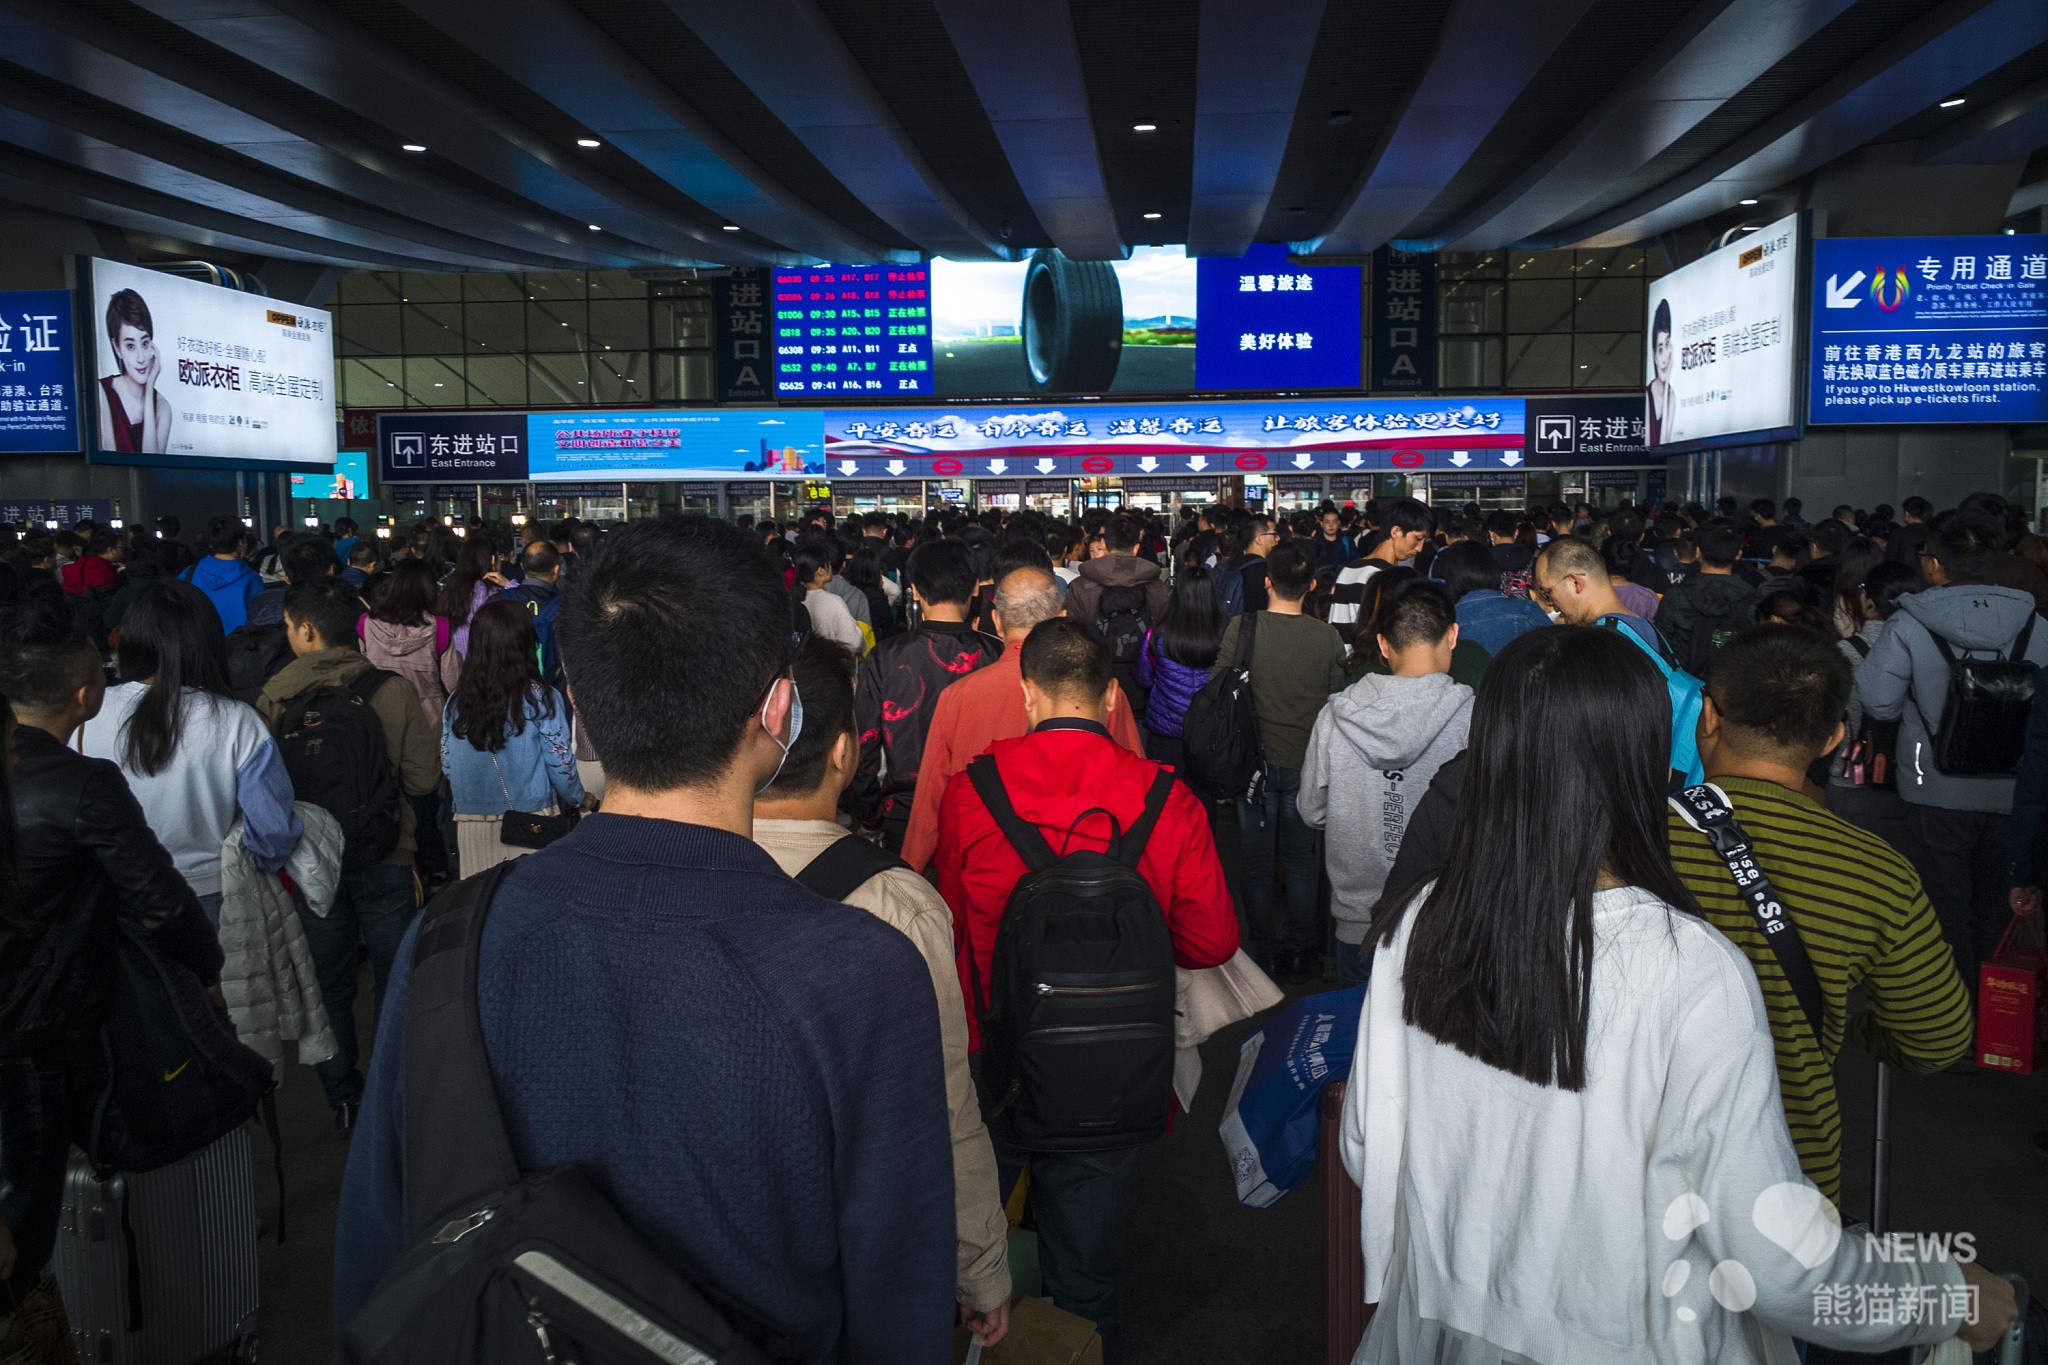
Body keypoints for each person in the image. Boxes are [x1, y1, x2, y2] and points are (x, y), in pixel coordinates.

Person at [333, 516, 958, 1362]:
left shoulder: (448, 937)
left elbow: (379, 1264)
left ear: (579, 707)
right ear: (779, 707)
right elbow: (899, 1305)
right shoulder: (862, 972)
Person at [1343, 625, 2013, 1364]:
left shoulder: (1418, 919)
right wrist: (1943, 1291)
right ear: (1648, 755)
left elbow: (1368, 1146)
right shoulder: (1693, 966)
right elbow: (1776, 1267)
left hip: (1434, 1331)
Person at [934, 618, 1238, 1363]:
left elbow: (951, 929)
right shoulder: (1167, 799)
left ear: (1027, 693)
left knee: (962, 1269)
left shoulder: (971, 792)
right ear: (1109, 700)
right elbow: (1212, 942)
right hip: (1112, 1072)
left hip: (997, 1061)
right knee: (1088, 1288)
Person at [753, 637, 1011, 1347]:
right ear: (844, 752)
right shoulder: (897, 904)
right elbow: (946, 1107)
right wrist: (981, 1268)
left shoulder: (687, 870)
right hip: (858, 1254)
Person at [1667, 626, 1973, 1201]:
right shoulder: (1879, 872)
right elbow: (1936, 1038)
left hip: (1633, 1168)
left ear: (1708, 716)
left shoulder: (1629, 838)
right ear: (1833, 738)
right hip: (1786, 1174)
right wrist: (1845, 1028)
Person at [1, 586, 222, 1308]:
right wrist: (207, 970)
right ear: (84, 693)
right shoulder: (83, 787)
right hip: (36, 1033)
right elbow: (160, 901)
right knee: (22, 1238)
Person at [260, 578, 439, 1132]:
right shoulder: (391, 690)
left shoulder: (275, 697)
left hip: (311, 865)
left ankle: (343, 1096)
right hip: (386, 853)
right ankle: (391, 1089)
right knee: (393, 976)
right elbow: (424, 779)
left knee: (329, 983)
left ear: (307, 630)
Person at [1854, 507, 2048, 984]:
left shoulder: (1909, 623)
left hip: (1934, 787)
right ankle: (1995, 1014)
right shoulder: (2037, 623)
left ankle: (1951, 1012)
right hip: (2016, 789)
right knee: (2001, 903)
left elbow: (1879, 704)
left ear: (1935, 564)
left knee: (1943, 906)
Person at [79, 581, 302, 924]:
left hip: (112, 895)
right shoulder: (238, 720)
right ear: (209, 643)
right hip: (210, 894)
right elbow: (273, 832)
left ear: (130, 638)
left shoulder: (87, 714)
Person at [900, 567, 1146, 872]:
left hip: (982, 870)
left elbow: (930, 804)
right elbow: (1138, 790)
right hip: (1082, 867)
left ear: (997, 622)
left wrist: (912, 869)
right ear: (1062, 618)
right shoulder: (1101, 694)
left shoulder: (957, 697)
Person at [1300, 578, 1471, 987]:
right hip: (1443, 919)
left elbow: (1311, 810)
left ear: (1382, 644)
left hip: (1357, 922)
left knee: (1357, 1024)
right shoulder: (1474, 718)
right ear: (1452, 636)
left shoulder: (1337, 716)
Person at [1214, 541, 1347, 977]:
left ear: (1267, 582)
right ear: (1312, 586)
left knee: (1256, 864)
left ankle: (1265, 951)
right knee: (1301, 862)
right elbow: (1337, 703)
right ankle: (1300, 949)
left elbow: (1219, 687)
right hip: (1306, 766)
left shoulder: (1242, 628)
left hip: (1252, 766)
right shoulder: (1326, 637)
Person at [847, 538, 1001, 853]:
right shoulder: (997, 654)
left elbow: (863, 744)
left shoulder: (885, 656)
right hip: (985, 813)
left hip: (905, 813)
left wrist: (871, 814)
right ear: (975, 587)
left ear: (915, 591)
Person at [1533, 536, 1701, 784]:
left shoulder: (1600, 645)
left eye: (1548, 592)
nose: (1553, 606)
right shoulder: (1643, 626)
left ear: (1576, 583)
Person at [440, 600, 586, 876]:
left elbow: (447, 764)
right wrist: (579, 797)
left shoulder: (457, 702)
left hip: (471, 825)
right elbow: (561, 765)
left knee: (480, 898)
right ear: (526, 643)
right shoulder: (541, 697)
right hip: (532, 821)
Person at [1066, 516, 1169, 706]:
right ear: (1136, 548)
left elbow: (1072, 637)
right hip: (1146, 686)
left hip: (1095, 686)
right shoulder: (1157, 587)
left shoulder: (1080, 586)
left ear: (1104, 545)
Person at [1133, 564, 1225, 770]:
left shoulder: (1156, 634)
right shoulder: (1226, 634)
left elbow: (1143, 678)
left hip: (1164, 729)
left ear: (1177, 595)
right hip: (1209, 729)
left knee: (1166, 787)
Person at [1655, 524, 1757, 672]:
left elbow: (1662, 640)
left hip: (1684, 678)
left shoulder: (1676, 595)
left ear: (1697, 552)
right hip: (1734, 677)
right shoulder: (1751, 596)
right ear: (1738, 554)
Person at [1330, 499, 1431, 639]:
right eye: (1418, 538)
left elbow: (1335, 627)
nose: (1420, 548)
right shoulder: (1390, 579)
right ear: (1396, 531)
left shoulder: (1348, 570)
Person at [1434, 539, 1549, 656]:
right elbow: (1555, 649)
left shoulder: (1444, 623)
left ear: (1452, 577)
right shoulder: (1525, 611)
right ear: (1493, 570)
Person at [96, 287, 172, 455]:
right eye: (130, 346)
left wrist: (149, 389)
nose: (141, 357)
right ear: (117, 348)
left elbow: (152, 464)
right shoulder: (102, 392)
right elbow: (111, 465)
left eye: (145, 343)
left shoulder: (163, 407)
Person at [500, 540, 565, 687]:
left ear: (522, 566)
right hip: (552, 690)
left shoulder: (499, 601)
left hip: (507, 688)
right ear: (556, 569)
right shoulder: (567, 608)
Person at [437, 532, 510, 660]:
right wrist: (509, 584)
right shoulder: (489, 592)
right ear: (492, 559)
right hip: (482, 664)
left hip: (454, 663)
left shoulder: (450, 589)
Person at [184, 517, 263, 634]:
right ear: (240, 543)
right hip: (238, 643)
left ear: (211, 543)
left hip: (200, 642)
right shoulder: (252, 579)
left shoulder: (189, 573)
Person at [794, 536, 864, 653]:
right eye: (828, 564)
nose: (831, 567)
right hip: (830, 661)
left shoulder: (796, 598)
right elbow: (854, 642)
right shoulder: (833, 601)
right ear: (821, 571)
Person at [1645, 296, 1672, 445]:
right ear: (1654, 354)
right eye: (1660, 349)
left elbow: (1664, 443)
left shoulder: (1671, 395)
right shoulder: (1648, 393)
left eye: (1667, 345)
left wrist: (1667, 385)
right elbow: (1654, 446)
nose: (1665, 358)